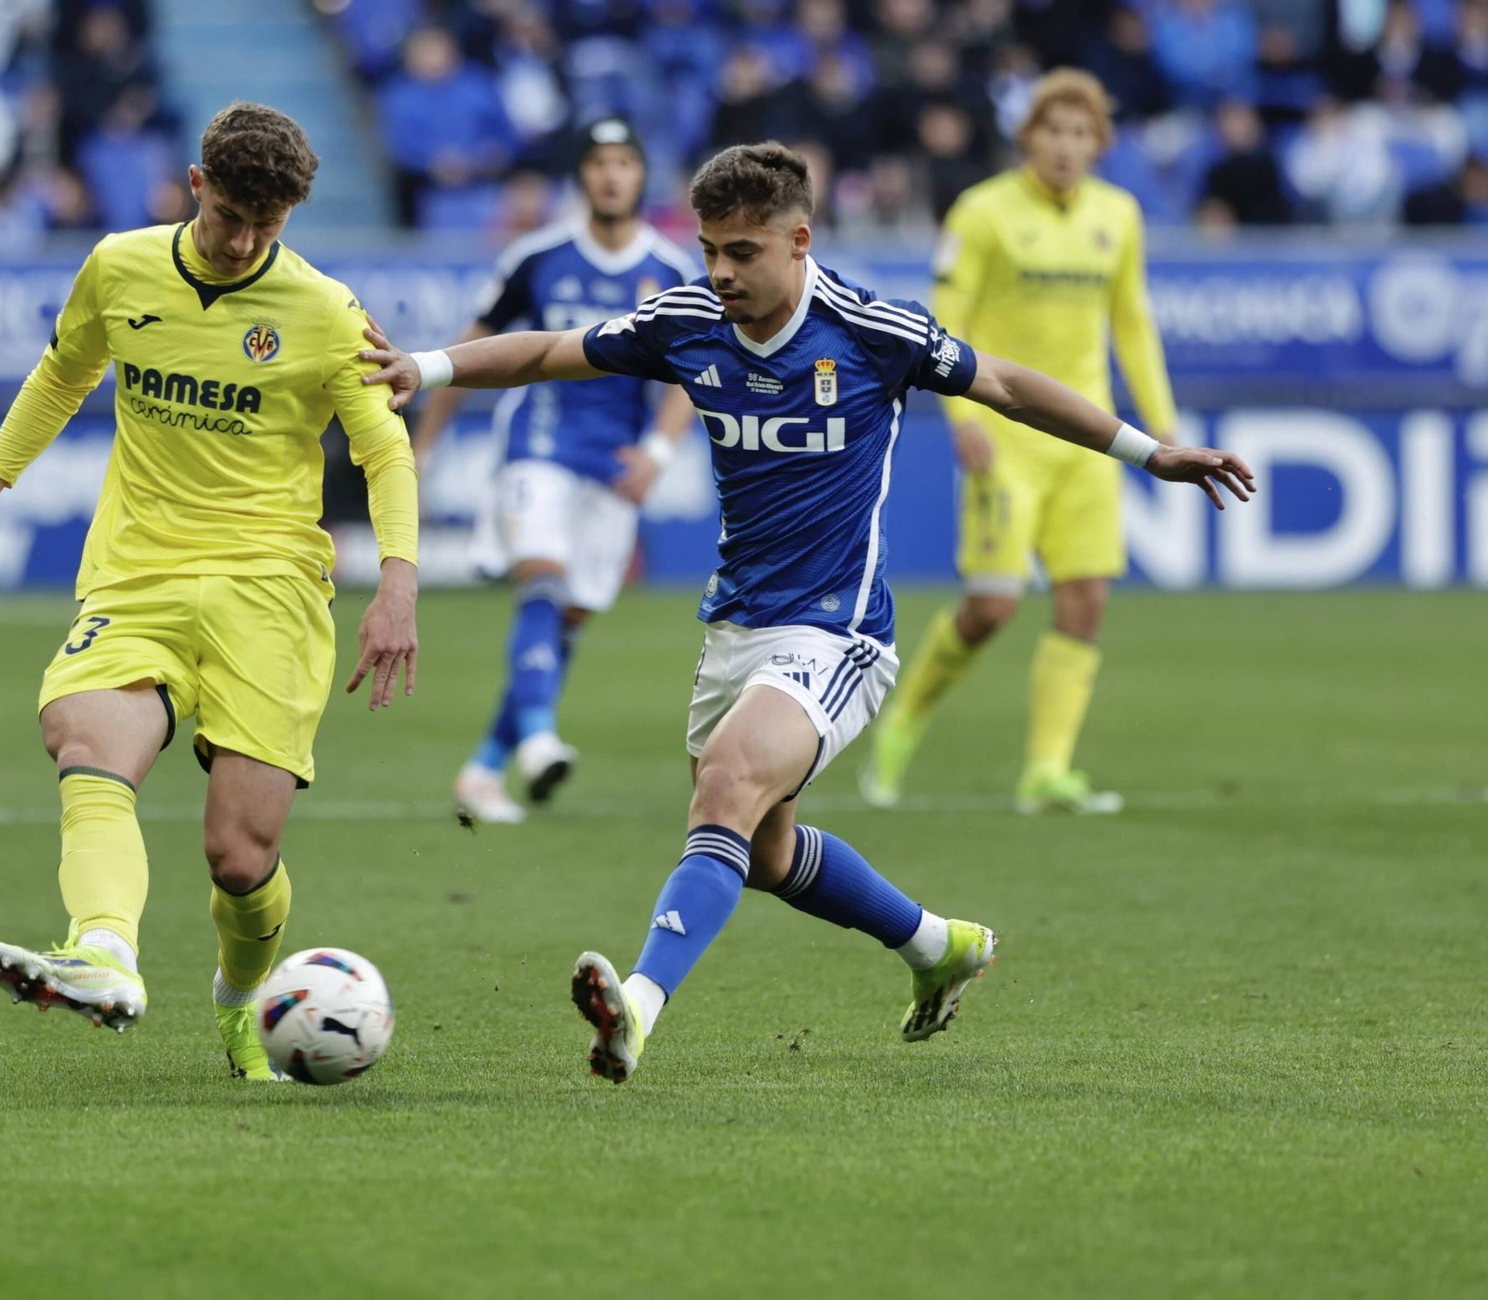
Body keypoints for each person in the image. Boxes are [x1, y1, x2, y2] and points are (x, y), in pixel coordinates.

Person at [359, 142, 1251, 1082]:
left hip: (842, 631)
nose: (720, 272)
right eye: (709, 249)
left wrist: (1152, 453)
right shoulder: (687, 320)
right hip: (737, 626)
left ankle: (639, 1007)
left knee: (728, 786)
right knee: (763, 846)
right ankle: (936, 946)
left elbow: (1011, 386)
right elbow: (547, 351)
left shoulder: (871, 329)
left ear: (799, 239)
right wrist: (428, 365)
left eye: (742, 252)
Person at [0, 103, 420, 1081]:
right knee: (85, 739)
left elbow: (383, 450)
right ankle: (103, 953)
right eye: (230, 217)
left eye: (269, 225)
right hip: (137, 573)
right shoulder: (119, 267)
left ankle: (235, 1007)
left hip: (270, 590)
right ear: (192, 185)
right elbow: (61, 376)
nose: (246, 241)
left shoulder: (324, 311)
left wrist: (396, 584)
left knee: (238, 856)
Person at [863, 69, 1181, 815]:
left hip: (1089, 438)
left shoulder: (1119, 215)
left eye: (1081, 133)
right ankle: (905, 719)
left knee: (1085, 600)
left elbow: (1131, 321)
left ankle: (1047, 770)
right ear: (1026, 137)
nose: (1066, 146)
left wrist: (1160, 424)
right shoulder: (983, 214)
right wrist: (965, 420)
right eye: (1052, 131)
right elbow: (948, 315)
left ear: (1099, 143)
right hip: (1006, 435)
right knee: (992, 608)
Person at [413, 118, 698, 825]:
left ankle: (483, 769)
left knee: (568, 619)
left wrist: (659, 452)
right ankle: (538, 738)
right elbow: (472, 352)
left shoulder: (670, 269)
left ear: (641, 175)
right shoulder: (536, 258)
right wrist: (423, 445)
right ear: (581, 176)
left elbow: (691, 376)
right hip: (537, 448)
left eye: (624, 162)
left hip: (612, 467)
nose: (611, 175)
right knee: (541, 581)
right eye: (599, 162)